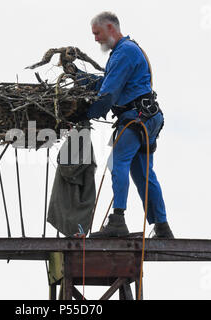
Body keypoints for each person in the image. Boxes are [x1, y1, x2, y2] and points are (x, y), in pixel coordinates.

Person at [69, 12, 174, 239]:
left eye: (97, 33)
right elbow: (104, 81)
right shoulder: (125, 51)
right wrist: (77, 75)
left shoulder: (124, 52)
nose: (95, 39)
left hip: (137, 118)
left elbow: (107, 93)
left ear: (110, 27)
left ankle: (117, 220)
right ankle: (163, 227)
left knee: (118, 161)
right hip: (149, 117)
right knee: (143, 173)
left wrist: (83, 115)